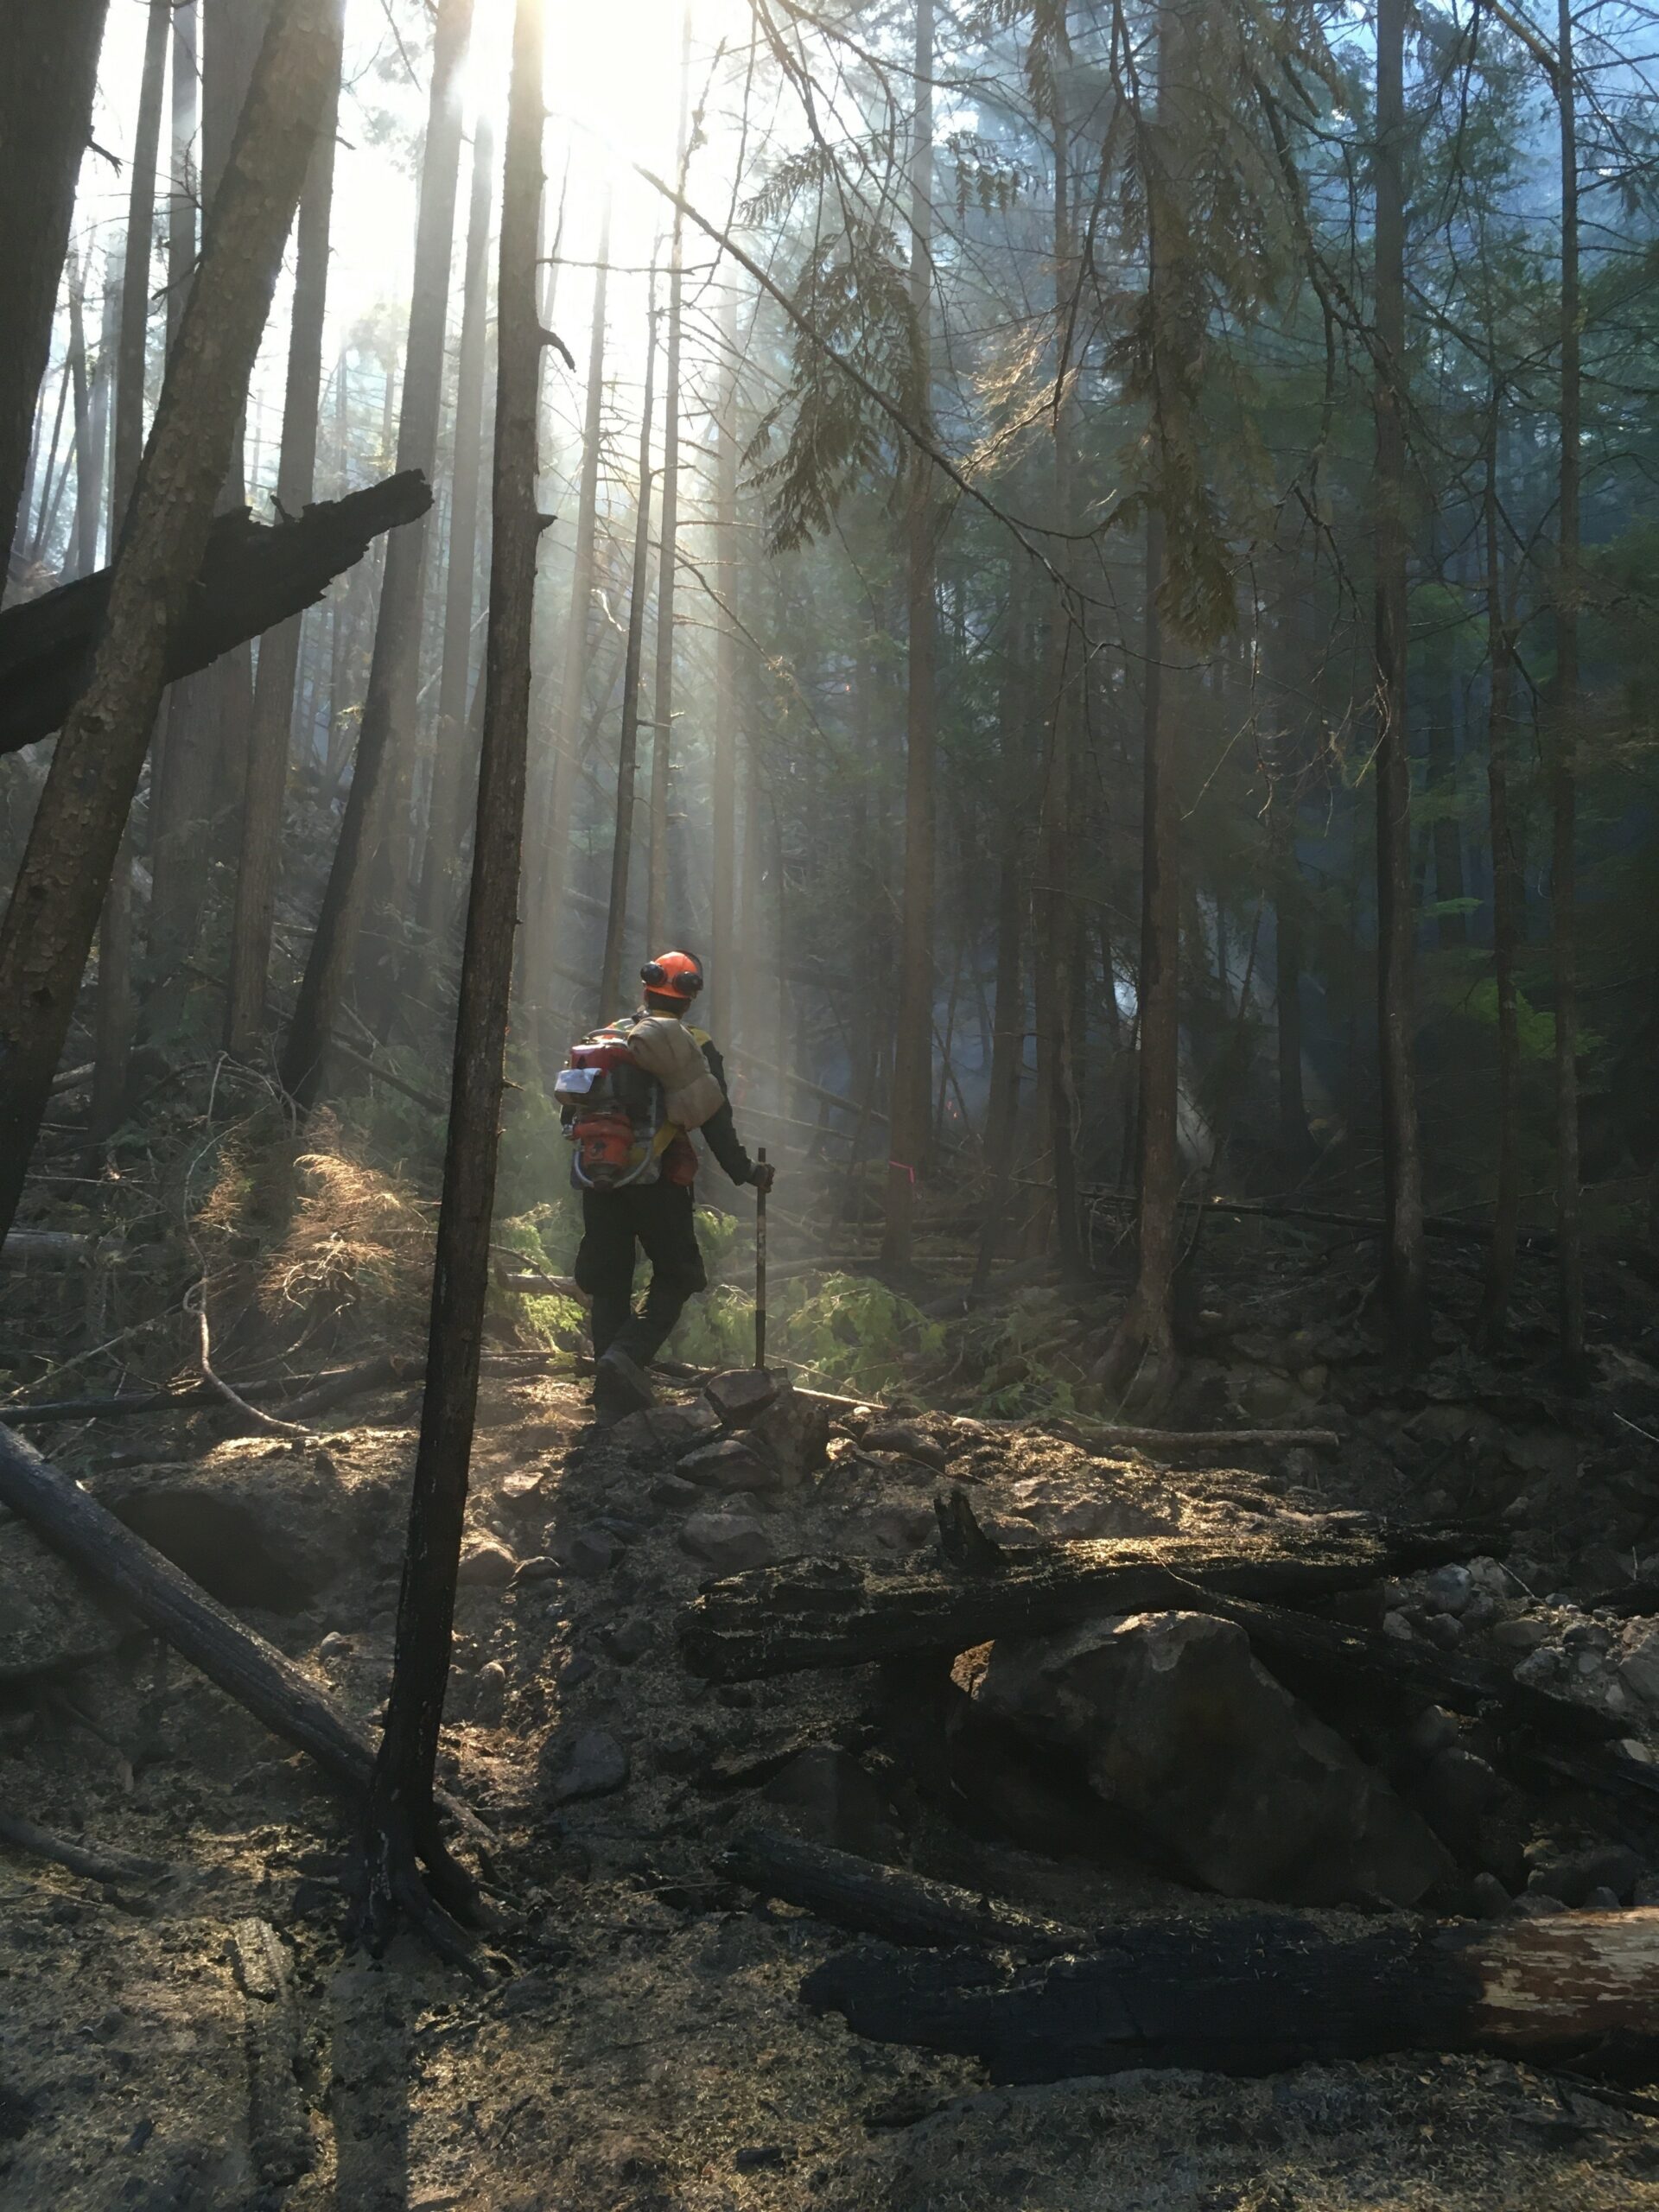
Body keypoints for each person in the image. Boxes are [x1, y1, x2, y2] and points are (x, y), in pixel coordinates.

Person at [573, 950, 774, 1422]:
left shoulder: (608, 1036)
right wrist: (748, 1173)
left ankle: (609, 1396)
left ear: (646, 990)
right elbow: (715, 1121)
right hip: (656, 1178)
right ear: (688, 1000)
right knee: (680, 1273)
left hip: (597, 1172)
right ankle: (624, 1355)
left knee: (610, 1278)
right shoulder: (693, 1043)